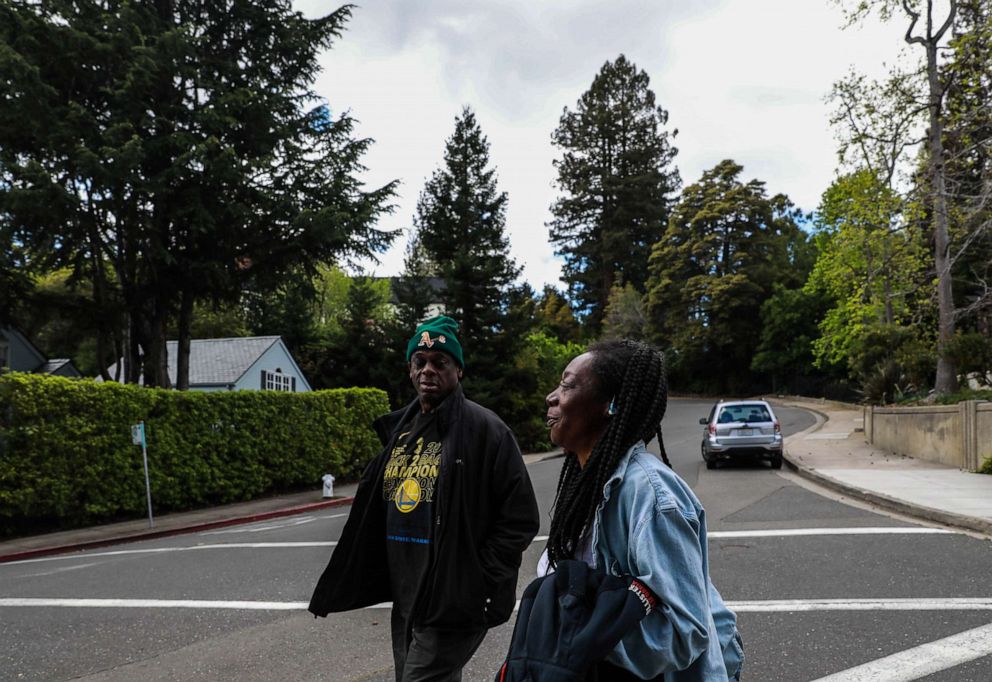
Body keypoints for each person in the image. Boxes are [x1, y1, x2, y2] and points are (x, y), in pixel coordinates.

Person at [309, 315, 540, 682]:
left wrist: (477, 579)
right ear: (409, 369)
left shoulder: (486, 431)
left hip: (454, 597)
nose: (428, 370)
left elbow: (521, 517)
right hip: (407, 597)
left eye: (440, 362)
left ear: (458, 370)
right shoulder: (401, 431)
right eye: (420, 362)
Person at [539, 338, 744, 681]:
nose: (552, 397)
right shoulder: (587, 480)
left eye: (567, 385)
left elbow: (684, 632)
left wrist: (579, 638)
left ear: (612, 404)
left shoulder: (650, 494)